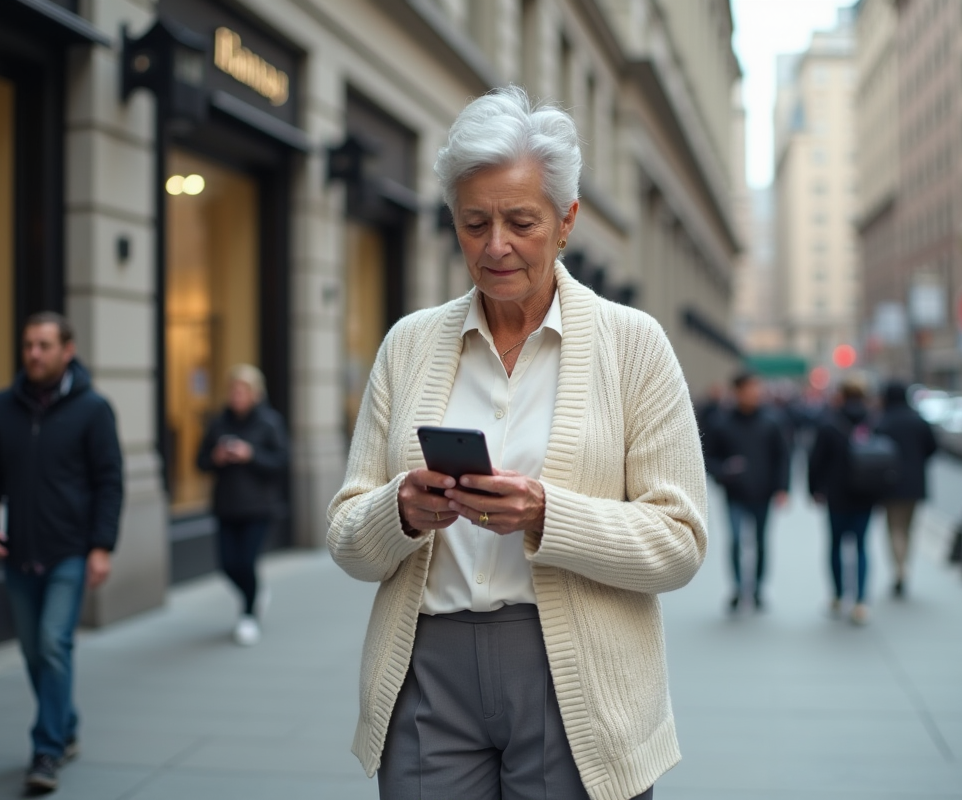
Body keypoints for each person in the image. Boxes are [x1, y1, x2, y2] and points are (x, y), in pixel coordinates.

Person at [327, 86, 707, 800]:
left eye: (520, 221)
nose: (495, 245)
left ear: (567, 221)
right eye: (474, 223)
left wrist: (544, 514)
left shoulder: (635, 346)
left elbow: (680, 541)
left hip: (577, 677)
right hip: (427, 671)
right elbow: (346, 536)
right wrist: (401, 510)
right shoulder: (408, 345)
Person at [0, 312, 123, 793]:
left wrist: (101, 547)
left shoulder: (93, 409)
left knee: (55, 643)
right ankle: (67, 722)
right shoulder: (3, 406)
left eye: (43, 345)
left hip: (68, 552)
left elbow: (109, 482)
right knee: (35, 652)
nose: (33, 353)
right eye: (28, 345)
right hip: (18, 553)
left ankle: (47, 749)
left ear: (67, 351)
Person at [196, 364, 289, 646]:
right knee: (227, 565)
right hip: (226, 506)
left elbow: (281, 462)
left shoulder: (269, 422)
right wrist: (216, 457)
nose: (236, 395)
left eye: (242, 390)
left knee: (246, 562)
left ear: (255, 393)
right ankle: (255, 592)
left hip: (258, 507)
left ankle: (248, 615)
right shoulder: (218, 423)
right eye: (232, 390)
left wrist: (251, 454)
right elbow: (199, 462)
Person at [707, 371, 789, 611]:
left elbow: (782, 457)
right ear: (737, 392)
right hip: (735, 494)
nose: (755, 393)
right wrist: (724, 471)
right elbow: (708, 457)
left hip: (763, 493)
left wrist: (783, 488)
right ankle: (737, 587)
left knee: (761, 542)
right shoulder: (721, 423)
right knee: (735, 542)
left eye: (757, 389)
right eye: (750, 389)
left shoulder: (772, 421)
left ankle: (758, 589)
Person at [807, 377, 876, 625]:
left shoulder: (829, 424)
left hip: (837, 496)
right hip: (866, 495)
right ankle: (860, 602)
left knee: (836, 545)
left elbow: (815, 461)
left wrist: (813, 489)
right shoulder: (872, 422)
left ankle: (837, 596)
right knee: (861, 546)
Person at [875, 380, 937, 598]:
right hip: (914, 484)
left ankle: (899, 570)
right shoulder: (917, 420)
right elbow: (932, 447)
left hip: (890, 483)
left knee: (894, 529)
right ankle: (904, 568)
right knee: (908, 528)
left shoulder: (883, 421)